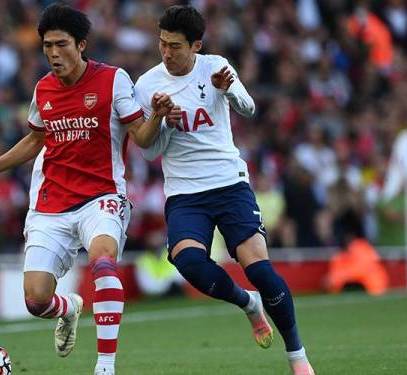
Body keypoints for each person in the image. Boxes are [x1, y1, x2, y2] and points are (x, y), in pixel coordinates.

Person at [0, 4, 174, 374]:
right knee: (36, 301)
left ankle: (105, 365)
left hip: (101, 196)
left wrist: (158, 116)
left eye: (61, 44)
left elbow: (141, 136)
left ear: (82, 44)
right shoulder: (43, 89)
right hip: (51, 204)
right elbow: (33, 141)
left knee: (103, 262)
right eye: (46, 46)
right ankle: (69, 308)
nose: (53, 53)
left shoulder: (113, 80)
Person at [134, 6, 314, 375]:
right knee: (188, 262)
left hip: (229, 184)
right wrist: (160, 120)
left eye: (176, 46)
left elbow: (248, 109)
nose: (166, 53)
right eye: (162, 44)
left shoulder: (215, 66)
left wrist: (229, 90)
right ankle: (247, 304)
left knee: (261, 272)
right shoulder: (147, 85)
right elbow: (149, 149)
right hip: (185, 193)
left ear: (196, 45)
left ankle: (298, 356)